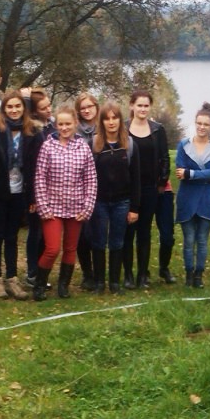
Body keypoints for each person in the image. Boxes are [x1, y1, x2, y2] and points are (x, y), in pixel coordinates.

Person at [0, 91, 41, 300]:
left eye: (17, 106)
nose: (14, 110)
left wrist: (33, 197)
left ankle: (12, 278)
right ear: (4, 109)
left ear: (23, 108)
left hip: (20, 191)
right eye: (10, 107)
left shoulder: (31, 132)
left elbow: (36, 167)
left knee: (12, 236)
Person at [32, 105, 97, 300]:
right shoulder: (47, 146)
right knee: (52, 248)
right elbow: (40, 178)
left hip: (76, 207)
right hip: (52, 207)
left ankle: (63, 285)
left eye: (68, 124)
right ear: (56, 125)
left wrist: (87, 207)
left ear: (75, 123)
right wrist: (43, 206)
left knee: (70, 249)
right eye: (61, 124)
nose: (64, 128)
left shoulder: (83, 147)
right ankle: (39, 285)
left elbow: (91, 179)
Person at [90, 101, 140, 294]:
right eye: (107, 119)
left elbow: (136, 178)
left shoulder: (129, 145)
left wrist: (134, 208)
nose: (111, 122)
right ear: (101, 122)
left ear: (120, 120)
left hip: (122, 202)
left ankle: (114, 283)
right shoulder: (94, 144)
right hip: (99, 201)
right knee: (99, 241)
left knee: (117, 242)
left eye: (114, 118)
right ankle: (99, 282)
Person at [123, 90, 171, 288]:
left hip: (150, 189)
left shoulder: (158, 130)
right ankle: (128, 275)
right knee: (128, 233)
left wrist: (162, 181)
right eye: (139, 105)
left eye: (146, 105)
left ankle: (143, 275)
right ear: (132, 106)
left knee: (144, 233)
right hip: (127, 190)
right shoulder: (123, 129)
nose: (142, 109)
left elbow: (165, 158)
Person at [174, 103, 210, 289]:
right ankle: (188, 274)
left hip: (206, 198)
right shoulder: (184, 145)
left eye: (206, 124)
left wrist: (191, 173)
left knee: (202, 240)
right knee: (188, 240)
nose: (202, 127)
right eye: (199, 123)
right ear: (195, 123)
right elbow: (179, 170)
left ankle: (198, 276)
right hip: (187, 197)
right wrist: (198, 175)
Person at [24, 88, 55, 288]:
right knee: (35, 233)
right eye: (43, 108)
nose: (48, 110)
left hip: (53, 187)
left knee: (47, 233)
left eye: (49, 105)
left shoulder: (53, 127)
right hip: (36, 188)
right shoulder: (32, 131)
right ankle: (32, 272)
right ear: (35, 111)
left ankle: (43, 272)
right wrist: (33, 197)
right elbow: (30, 165)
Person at [73, 92, 100, 290]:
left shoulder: (105, 127)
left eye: (90, 106)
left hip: (104, 185)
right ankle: (87, 273)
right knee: (83, 234)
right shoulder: (75, 131)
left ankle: (99, 273)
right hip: (79, 187)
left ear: (96, 107)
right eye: (83, 108)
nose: (87, 110)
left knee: (98, 232)